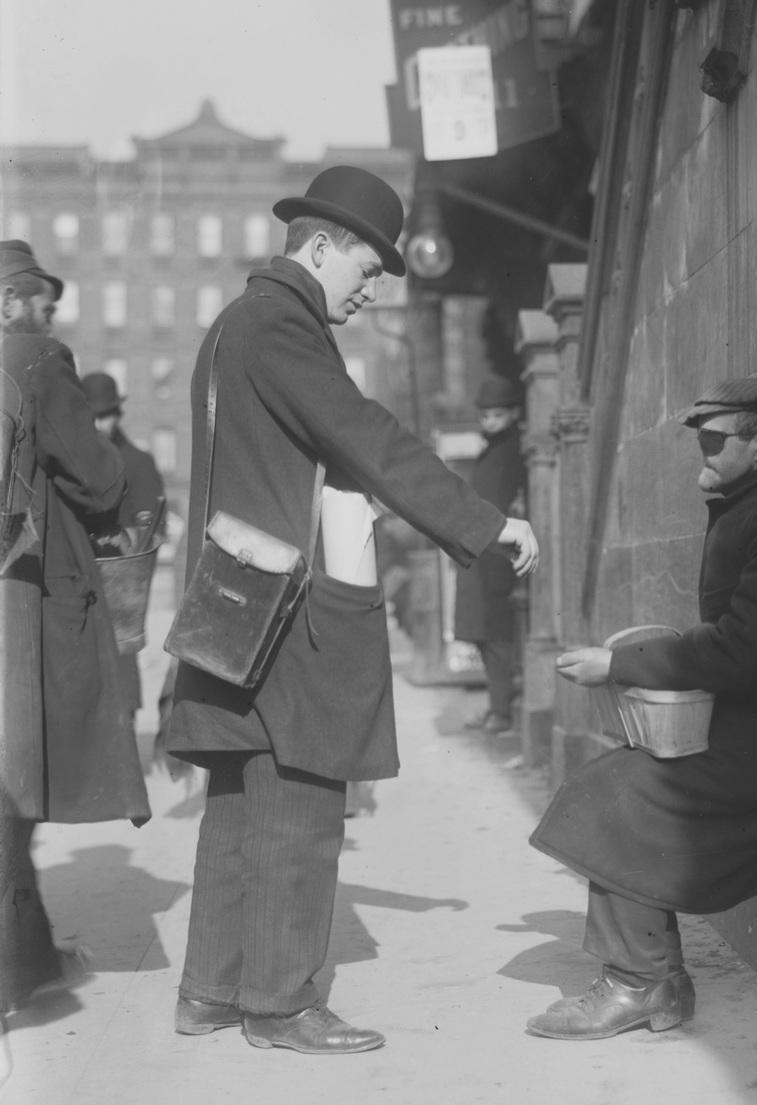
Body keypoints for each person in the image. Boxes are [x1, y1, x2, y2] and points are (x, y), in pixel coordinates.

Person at [165, 166, 538, 1055]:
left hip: (232, 598)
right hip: (289, 606)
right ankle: (283, 1004)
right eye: (367, 268)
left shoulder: (233, 324)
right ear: (320, 246)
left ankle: (212, 991)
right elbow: (367, 436)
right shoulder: (284, 325)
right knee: (303, 789)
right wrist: (482, 523)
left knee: (237, 797)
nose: (372, 290)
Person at [526, 376, 757, 1040]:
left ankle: (640, 982)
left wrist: (618, 664)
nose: (702, 456)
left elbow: (744, 649)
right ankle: (653, 977)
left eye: (715, 441)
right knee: (615, 782)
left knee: (619, 794)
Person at [0, 241, 151, 1014]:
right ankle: (18, 967)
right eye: (42, 303)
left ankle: (27, 960)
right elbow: (99, 478)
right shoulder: (36, 358)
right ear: (11, 303)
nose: (50, 318)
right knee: (16, 779)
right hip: (27, 598)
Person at [80, 371, 165, 732]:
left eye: (107, 415)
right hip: (82, 591)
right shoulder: (76, 461)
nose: (101, 424)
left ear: (119, 413)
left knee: (120, 686)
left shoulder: (138, 462)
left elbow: (148, 537)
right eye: (94, 417)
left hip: (120, 593)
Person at [454, 374, 527, 735]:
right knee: (484, 635)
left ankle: (503, 711)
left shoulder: (511, 451)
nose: (489, 422)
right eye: (485, 416)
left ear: (513, 413)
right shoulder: (493, 451)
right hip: (482, 554)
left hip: (497, 556)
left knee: (497, 636)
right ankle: (497, 707)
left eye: (497, 415)